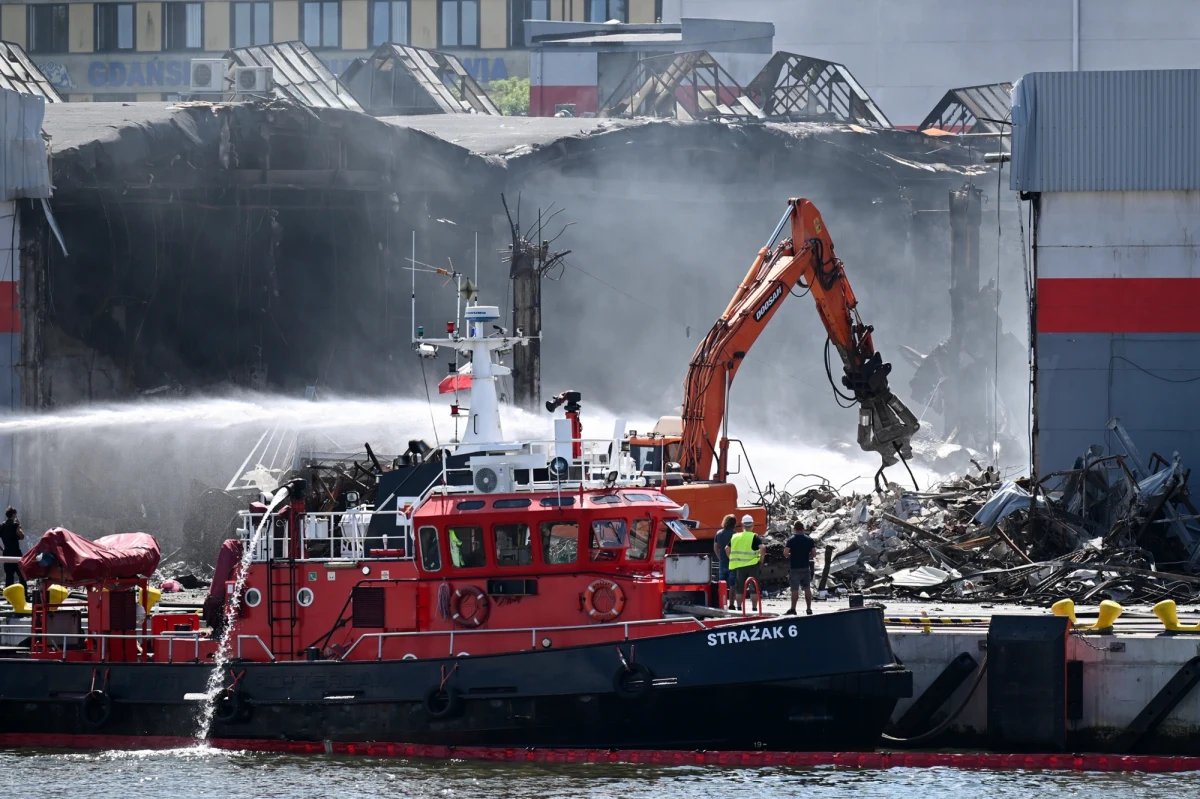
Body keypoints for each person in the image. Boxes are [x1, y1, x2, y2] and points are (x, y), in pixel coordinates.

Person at [725, 514, 763, 612]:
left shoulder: (735, 536)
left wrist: (731, 557)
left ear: (742, 525)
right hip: (753, 565)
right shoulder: (754, 536)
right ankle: (754, 608)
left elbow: (726, 548)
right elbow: (763, 548)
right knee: (754, 587)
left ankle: (739, 608)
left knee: (739, 588)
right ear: (752, 525)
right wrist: (761, 560)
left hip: (740, 566)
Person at [784, 520, 816, 616]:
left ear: (794, 529)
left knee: (794, 589)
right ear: (803, 529)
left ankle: (793, 609)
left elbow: (785, 553)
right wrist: (807, 555)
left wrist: (791, 555)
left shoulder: (791, 540)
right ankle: (809, 609)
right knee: (807, 588)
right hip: (805, 567)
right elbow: (814, 554)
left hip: (794, 567)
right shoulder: (809, 540)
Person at [713, 514, 737, 610]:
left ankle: (722, 603)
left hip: (722, 563)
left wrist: (720, 557)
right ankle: (731, 605)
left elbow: (715, 548)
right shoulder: (735, 534)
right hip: (733, 563)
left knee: (721, 585)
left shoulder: (719, 533)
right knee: (732, 585)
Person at [0, 506, 25, 588]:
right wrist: (19, 526)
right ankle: (23, 595)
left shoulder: (2, 526)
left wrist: (1, 548)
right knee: (22, 575)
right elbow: (22, 536)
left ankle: (9, 597)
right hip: (16, 553)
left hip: (6, 553)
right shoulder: (15, 525)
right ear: (14, 515)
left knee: (9, 577)